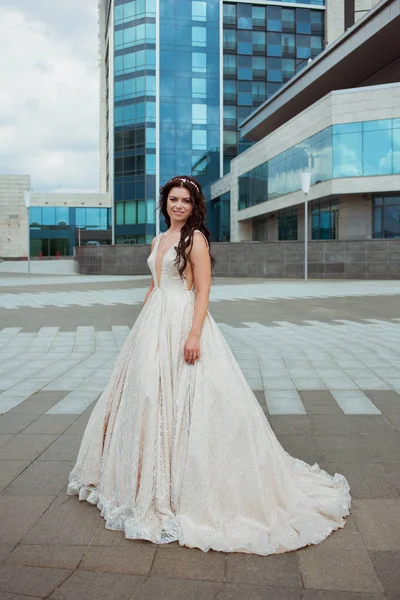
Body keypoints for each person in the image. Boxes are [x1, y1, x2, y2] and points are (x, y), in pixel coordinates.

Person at [67, 175, 351, 556]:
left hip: (183, 319)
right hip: (154, 324)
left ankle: (189, 480)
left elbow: (203, 289)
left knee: (187, 397)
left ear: (193, 205)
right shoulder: (158, 240)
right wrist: (141, 321)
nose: (179, 205)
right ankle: (142, 477)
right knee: (149, 395)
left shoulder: (195, 239)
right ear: (165, 203)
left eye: (185, 200)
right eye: (173, 199)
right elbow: (154, 283)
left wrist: (195, 334)